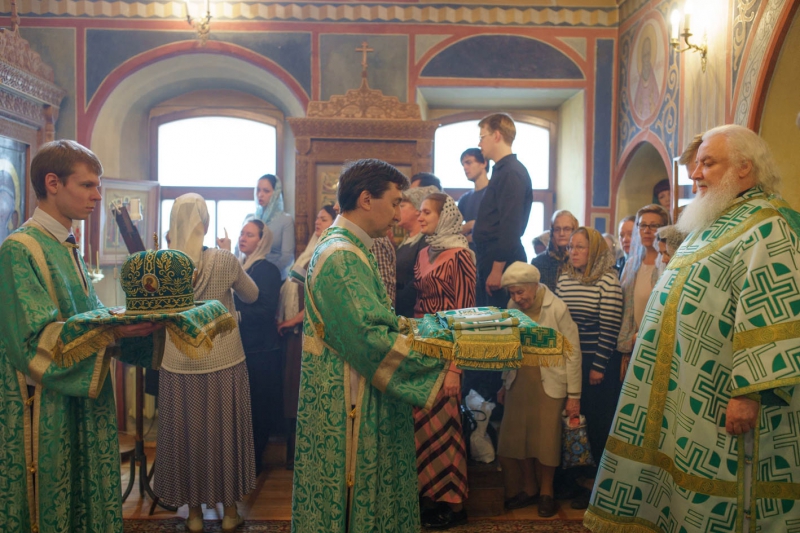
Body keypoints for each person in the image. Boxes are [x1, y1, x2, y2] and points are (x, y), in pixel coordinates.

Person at [584, 125, 800, 533]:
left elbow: (771, 312)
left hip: (722, 393)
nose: (695, 174)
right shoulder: (717, 222)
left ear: (744, 167)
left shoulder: (768, 225)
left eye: (707, 163)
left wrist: (749, 392)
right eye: (697, 164)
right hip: (686, 388)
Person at [0, 140, 161, 533]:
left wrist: (133, 324)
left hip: (82, 399)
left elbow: (87, 317)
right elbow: (33, 341)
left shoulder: (66, 245)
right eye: (87, 185)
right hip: (47, 405)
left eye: (97, 185)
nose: (97, 196)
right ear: (53, 183)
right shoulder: (20, 250)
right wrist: (111, 328)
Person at [291, 159, 446, 533]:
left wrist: (420, 328)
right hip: (351, 397)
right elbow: (368, 336)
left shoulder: (347, 246)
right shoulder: (342, 256)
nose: (397, 214)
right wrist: (439, 354)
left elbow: (375, 317)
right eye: (393, 202)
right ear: (365, 199)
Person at [155, 193, 259, 532]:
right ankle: (229, 511)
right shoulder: (225, 260)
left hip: (179, 360)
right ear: (205, 222)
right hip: (224, 358)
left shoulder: (163, 265)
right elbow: (252, 294)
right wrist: (235, 260)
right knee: (224, 433)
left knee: (187, 436)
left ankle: (195, 515)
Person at [496, 262, 582, 517]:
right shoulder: (512, 307)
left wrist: (574, 395)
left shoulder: (557, 307)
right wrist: (503, 383)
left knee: (546, 441)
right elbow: (508, 346)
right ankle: (529, 487)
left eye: (520, 292)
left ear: (534, 285)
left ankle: (547, 492)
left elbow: (573, 352)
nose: (516, 298)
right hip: (519, 380)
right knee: (520, 438)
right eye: (512, 293)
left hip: (550, 382)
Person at [412, 192, 476, 529]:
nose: (420, 217)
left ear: (444, 217)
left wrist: (455, 368)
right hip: (422, 349)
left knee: (446, 428)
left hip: (447, 352)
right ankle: (429, 497)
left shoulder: (462, 255)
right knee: (422, 427)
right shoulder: (423, 252)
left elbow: (464, 315)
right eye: (419, 212)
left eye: (426, 212)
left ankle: (454, 505)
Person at [556, 226, 623, 510]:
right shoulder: (565, 278)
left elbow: (610, 328)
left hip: (597, 363)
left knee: (595, 424)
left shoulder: (608, 280)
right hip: (569, 360)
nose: (573, 252)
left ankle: (594, 484)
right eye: (571, 247)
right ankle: (573, 478)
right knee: (572, 421)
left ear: (594, 250)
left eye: (580, 247)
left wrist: (598, 366)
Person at [277, 204, 336, 467]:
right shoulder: (308, 252)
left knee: (308, 390)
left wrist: (291, 320)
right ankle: (295, 452)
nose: (317, 222)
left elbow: (318, 300)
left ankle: (311, 451)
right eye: (317, 218)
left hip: (313, 333)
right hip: (296, 334)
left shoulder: (328, 253)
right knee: (293, 391)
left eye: (324, 219)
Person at [233, 218, 282, 476]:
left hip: (262, 350)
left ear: (262, 241)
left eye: (250, 235)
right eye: (242, 233)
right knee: (243, 408)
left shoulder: (267, 270)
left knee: (258, 408)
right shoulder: (242, 266)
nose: (243, 238)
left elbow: (266, 310)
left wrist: (236, 317)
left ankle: (254, 463)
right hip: (243, 347)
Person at [473, 113, 534, 307]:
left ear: (497, 135)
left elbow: (510, 226)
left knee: (499, 322)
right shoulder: (502, 170)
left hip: (502, 263)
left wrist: (497, 270)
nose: (479, 144)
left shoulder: (511, 173)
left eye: (482, 137)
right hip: (491, 259)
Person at [616, 204, 669, 380]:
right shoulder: (631, 264)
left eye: (654, 226)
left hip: (657, 344)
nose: (647, 230)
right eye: (643, 225)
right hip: (632, 345)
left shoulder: (668, 264)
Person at [395, 186, 438, 318]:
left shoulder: (426, 241)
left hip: (414, 312)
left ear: (417, 210)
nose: (397, 210)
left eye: (402, 205)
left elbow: (419, 280)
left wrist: (396, 302)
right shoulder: (406, 239)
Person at [252, 174, 295, 279]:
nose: (260, 195)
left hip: (274, 275)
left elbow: (287, 256)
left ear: (276, 193)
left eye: (266, 191)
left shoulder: (286, 220)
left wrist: (268, 272)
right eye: (258, 190)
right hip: (250, 272)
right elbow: (239, 249)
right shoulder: (251, 219)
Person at [531, 210, 580, 293]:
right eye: (557, 229)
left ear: (574, 231)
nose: (561, 234)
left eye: (567, 229)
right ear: (552, 232)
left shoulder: (581, 259)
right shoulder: (538, 262)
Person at [457, 147, 490, 253]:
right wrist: (468, 226)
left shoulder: (496, 192)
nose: (465, 167)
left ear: (483, 163)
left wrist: (476, 229)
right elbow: (450, 230)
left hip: (492, 253)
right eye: (463, 164)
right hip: (469, 254)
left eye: (469, 162)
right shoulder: (465, 198)